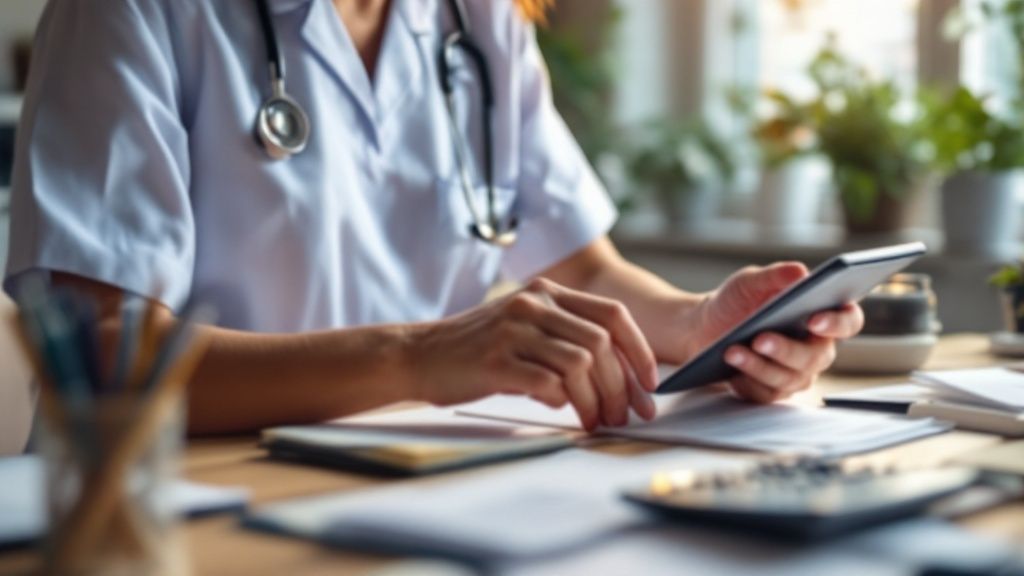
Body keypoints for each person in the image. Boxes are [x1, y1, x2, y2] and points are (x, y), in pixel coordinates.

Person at [4, 0, 863, 436]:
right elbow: (104, 359)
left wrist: (705, 325)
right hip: (180, 503)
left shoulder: (472, 16)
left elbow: (586, 269)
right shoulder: (132, 12)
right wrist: (419, 355)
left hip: (409, 485)